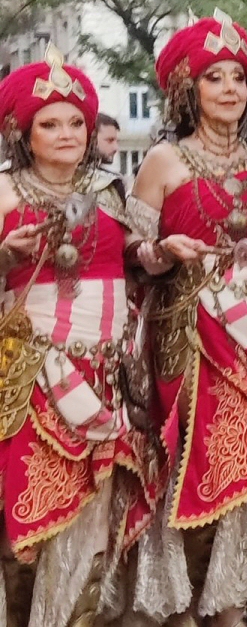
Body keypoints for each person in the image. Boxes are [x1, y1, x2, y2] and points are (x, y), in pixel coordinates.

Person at [128, 10, 247, 627]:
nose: (230, 88)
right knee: (194, 465)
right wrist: (160, 254)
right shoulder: (164, 162)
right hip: (191, 335)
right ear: (187, 90)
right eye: (214, 78)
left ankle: (228, 603)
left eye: (239, 77)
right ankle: (183, 604)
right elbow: (132, 254)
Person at [0, 46, 154, 627]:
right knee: (29, 512)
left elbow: (142, 259)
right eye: (49, 123)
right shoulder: (6, 193)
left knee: (96, 514)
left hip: (106, 374)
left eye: (75, 122)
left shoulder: (111, 192)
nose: (66, 133)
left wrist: (158, 253)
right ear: (22, 131)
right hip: (32, 372)